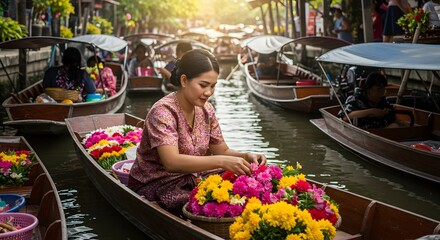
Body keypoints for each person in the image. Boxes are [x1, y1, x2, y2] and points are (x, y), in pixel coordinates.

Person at [128, 49, 267, 214]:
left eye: (213, 86)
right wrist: (223, 161)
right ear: (185, 80)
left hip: (193, 176)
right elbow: (171, 162)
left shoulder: (207, 109)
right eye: (203, 85)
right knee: (200, 205)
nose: (208, 92)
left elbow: (221, 150)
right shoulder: (163, 112)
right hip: (158, 182)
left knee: (248, 183)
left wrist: (246, 156)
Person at [338, 72, 407, 129]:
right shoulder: (355, 99)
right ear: (369, 89)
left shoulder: (383, 101)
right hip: (361, 134)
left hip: (381, 134)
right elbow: (345, 117)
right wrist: (372, 111)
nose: (382, 93)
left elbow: (393, 117)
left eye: (383, 90)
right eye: (379, 89)